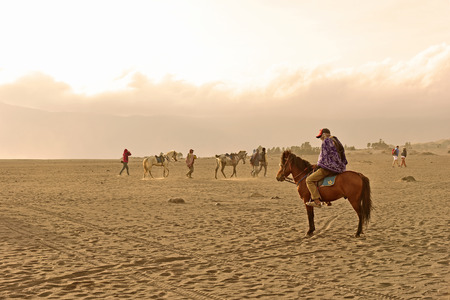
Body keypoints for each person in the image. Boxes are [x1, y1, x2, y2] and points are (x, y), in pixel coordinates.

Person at [306, 128, 347, 207]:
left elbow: (324, 157)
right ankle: (327, 199)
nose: (321, 138)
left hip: (328, 168)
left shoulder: (326, 141)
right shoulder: (335, 141)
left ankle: (317, 201)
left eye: (321, 136)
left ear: (324, 135)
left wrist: (318, 165)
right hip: (339, 167)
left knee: (309, 180)